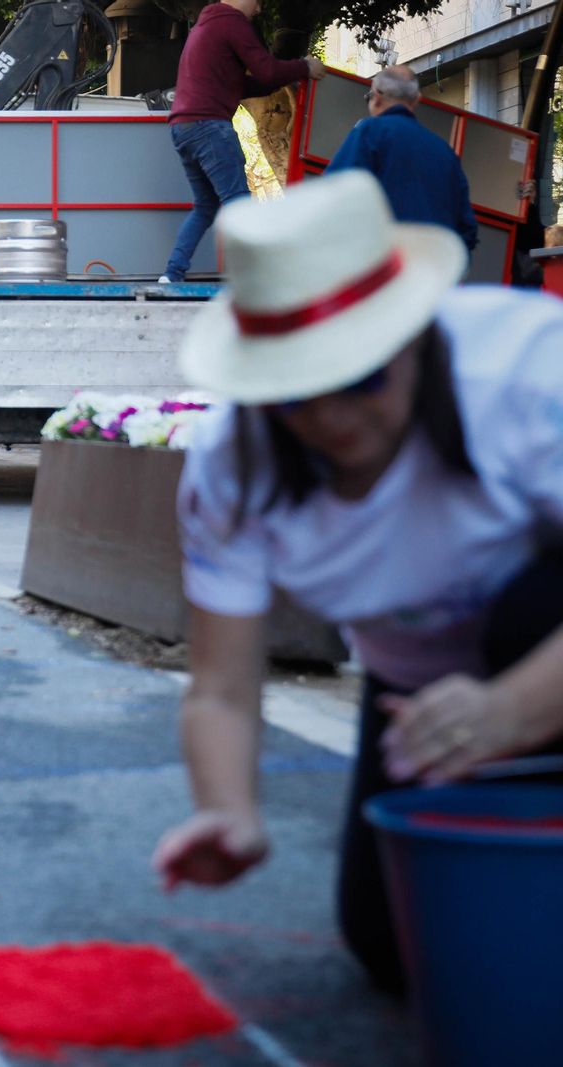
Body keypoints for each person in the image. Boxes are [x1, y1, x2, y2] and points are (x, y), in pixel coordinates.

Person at [152, 170, 563, 997]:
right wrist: (229, 808)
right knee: (395, 945)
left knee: (526, 611)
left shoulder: (530, 371)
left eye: (362, 379)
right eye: (296, 396)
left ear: (412, 336)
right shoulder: (233, 464)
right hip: (414, 689)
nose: (333, 419)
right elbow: (223, 689)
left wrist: (514, 709)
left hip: (540, 643)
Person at [160, 0, 325, 284]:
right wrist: (304, 67)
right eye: (259, 2)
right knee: (240, 206)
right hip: (208, 126)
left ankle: (172, 274)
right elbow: (268, 71)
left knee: (205, 208)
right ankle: (260, 279)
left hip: (182, 128)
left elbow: (244, 84)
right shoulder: (232, 21)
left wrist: (279, 78)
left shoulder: (206, 24)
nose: (260, 9)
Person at [326, 65, 479, 253]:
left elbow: (333, 194)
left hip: (381, 268)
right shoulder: (445, 152)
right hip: (431, 274)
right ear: (417, 100)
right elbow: (467, 229)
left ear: (376, 97)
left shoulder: (369, 132)